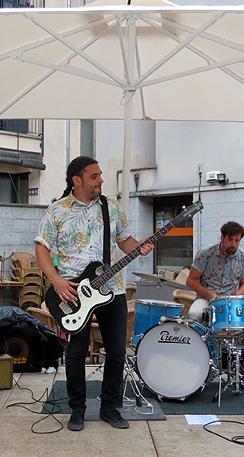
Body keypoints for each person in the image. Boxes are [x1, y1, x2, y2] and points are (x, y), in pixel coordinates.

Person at [35, 156, 153, 432]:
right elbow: (41, 248)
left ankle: (110, 408)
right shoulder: (57, 210)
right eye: (94, 176)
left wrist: (141, 246)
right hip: (73, 292)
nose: (101, 179)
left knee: (117, 352)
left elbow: (125, 242)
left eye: (101, 175)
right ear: (77, 180)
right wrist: (56, 281)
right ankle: (77, 409)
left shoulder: (111, 207)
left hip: (112, 290)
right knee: (76, 353)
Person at [185, 222, 244, 378]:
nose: (234, 244)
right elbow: (190, 280)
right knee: (193, 313)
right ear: (222, 238)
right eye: (230, 239)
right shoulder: (206, 254)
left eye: (237, 240)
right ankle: (194, 358)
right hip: (206, 298)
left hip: (230, 301)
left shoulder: (242, 257)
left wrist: (238, 293)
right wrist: (208, 293)